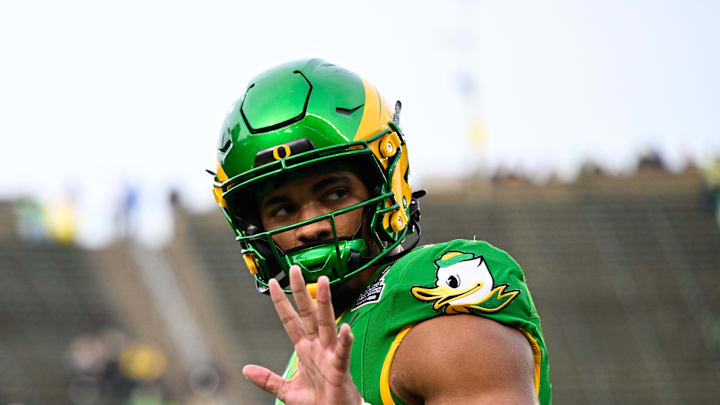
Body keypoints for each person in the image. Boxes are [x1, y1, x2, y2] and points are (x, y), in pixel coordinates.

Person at [210, 59, 551, 404]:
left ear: (382, 189)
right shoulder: (306, 365)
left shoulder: (431, 294)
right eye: (283, 210)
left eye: (335, 194)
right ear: (256, 230)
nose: (311, 227)